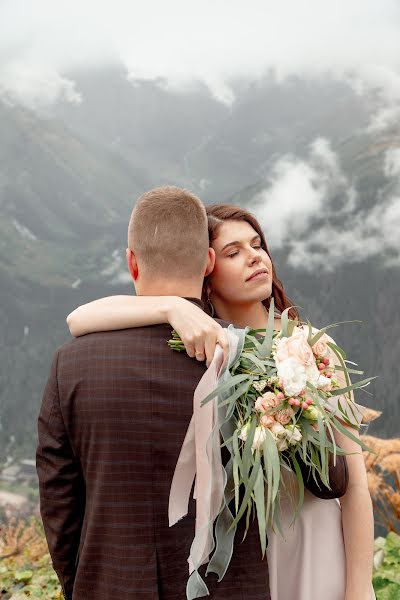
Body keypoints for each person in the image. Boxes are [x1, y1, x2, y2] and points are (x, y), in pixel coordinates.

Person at [66, 200, 376, 600]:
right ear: (208, 268)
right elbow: (78, 319)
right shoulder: (209, 349)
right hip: (248, 560)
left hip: (318, 544)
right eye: (234, 252)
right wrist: (170, 305)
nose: (255, 258)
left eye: (257, 244)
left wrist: (358, 588)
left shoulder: (313, 348)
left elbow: (355, 485)